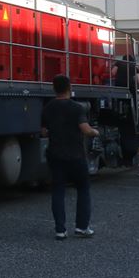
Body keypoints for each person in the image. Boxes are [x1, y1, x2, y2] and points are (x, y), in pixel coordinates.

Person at [41, 74, 99, 240]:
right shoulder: (76, 108)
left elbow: (44, 131)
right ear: (69, 88)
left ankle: (60, 230)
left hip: (55, 154)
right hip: (75, 155)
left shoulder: (48, 107)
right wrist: (95, 132)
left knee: (58, 190)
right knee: (83, 188)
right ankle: (82, 227)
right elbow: (86, 130)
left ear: (54, 88)